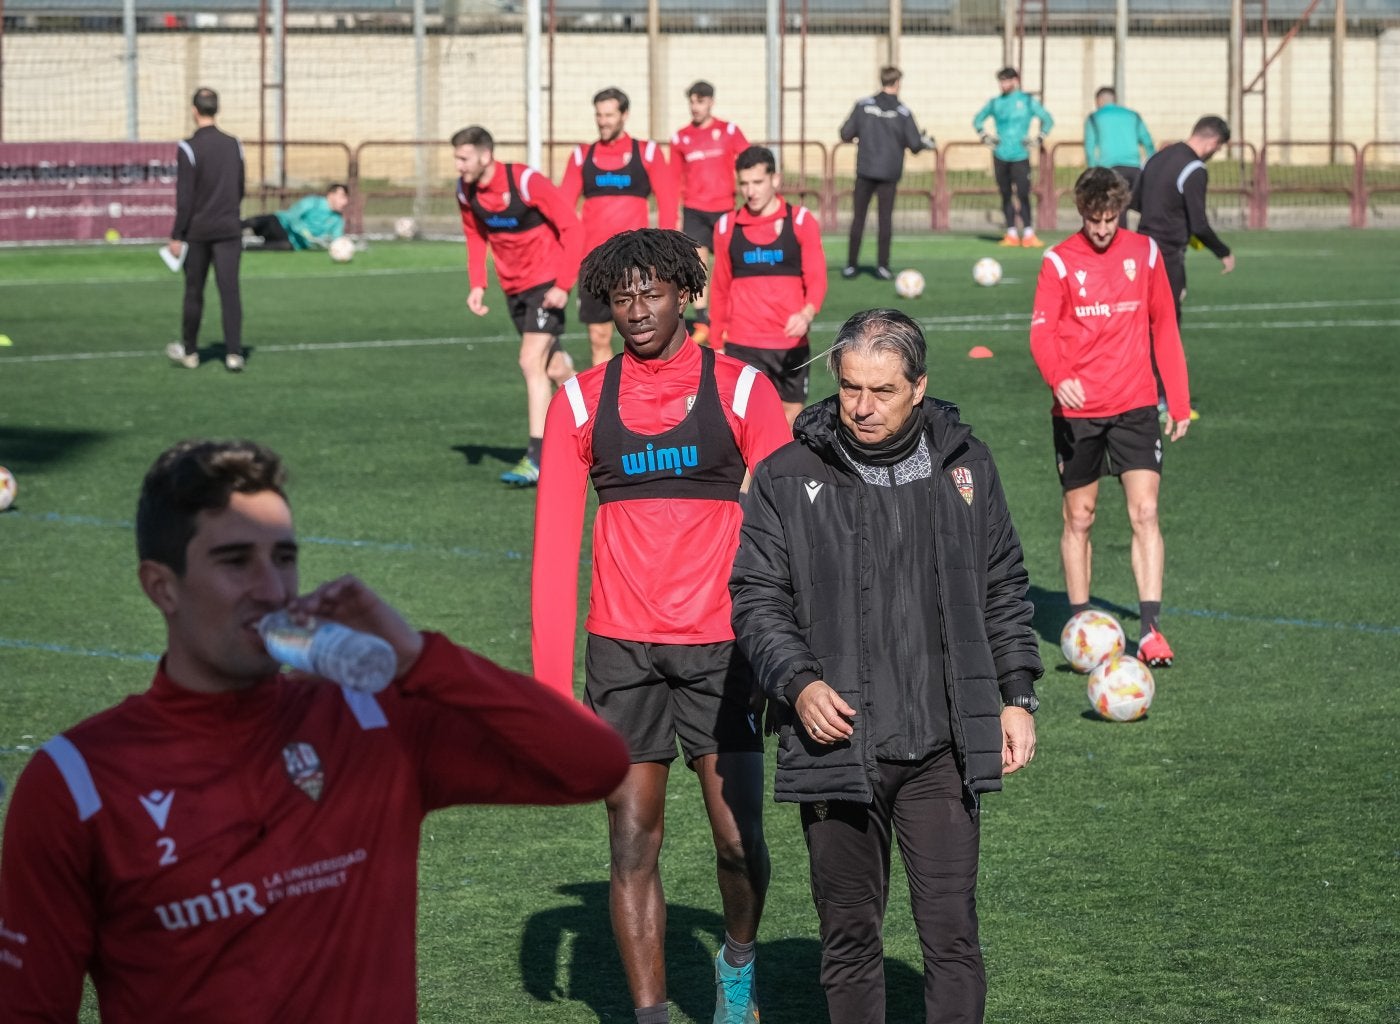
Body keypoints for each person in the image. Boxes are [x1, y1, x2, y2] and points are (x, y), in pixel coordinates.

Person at [0, 438, 629, 1022]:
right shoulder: (77, 782)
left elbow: (592, 764)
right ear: (161, 586)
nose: (271, 589)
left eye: (285, 557)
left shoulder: (370, 717)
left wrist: (419, 657)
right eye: (235, 561)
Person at [730, 308, 1043, 1024]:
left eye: (881, 391)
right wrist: (798, 682)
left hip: (943, 747)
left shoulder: (968, 467)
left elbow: (1003, 584)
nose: (861, 408)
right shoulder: (787, 474)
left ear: (920, 386)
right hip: (838, 749)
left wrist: (1017, 694)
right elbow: (756, 595)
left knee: (952, 937)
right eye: (849, 390)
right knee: (848, 941)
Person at [531, 229, 791, 1024]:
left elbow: (791, 533)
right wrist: (547, 695)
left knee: (738, 841)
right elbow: (552, 554)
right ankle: (649, 1015)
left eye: (653, 292)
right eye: (622, 296)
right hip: (623, 650)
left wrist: (792, 659)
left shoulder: (745, 392)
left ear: (687, 295)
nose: (638, 310)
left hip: (725, 648)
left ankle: (737, 965)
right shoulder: (579, 401)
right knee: (631, 842)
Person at [1030, 167, 1191, 668]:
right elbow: (1041, 333)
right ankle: (1080, 626)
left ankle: (1151, 631)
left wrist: (1178, 399)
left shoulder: (1144, 254)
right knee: (1080, 516)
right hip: (1078, 412)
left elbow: (1164, 326)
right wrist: (1059, 376)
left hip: (1137, 405)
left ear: (1122, 212)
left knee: (1145, 512)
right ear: (1081, 213)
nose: (1102, 228)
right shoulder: (1058, 261)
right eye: (1093, 219)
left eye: (1110, 218)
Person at [453, 125, 585, 487]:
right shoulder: (465, 191)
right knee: (555, 368)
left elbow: (573, 228)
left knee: (529, 361)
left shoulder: (527, 182)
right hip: (514, 289)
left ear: (484, 155)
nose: (458, 165)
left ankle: (537, 458)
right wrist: (478, 283)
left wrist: (563, 285)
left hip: (546, 286)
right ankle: (597, 423)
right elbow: (475, 235)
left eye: (463, 158)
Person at [708, 145, 828, 426]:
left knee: (791, 417)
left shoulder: (800, 221)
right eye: (744, 184)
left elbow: (817, 277)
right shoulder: (726, 227)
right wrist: (716, 342)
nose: (751, 191)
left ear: (775, 179)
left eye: (758, 182)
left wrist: (807, 313)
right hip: (742, 343)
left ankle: (782, 473)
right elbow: (720, 288)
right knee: (743, 424)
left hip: (789, 343)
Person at [560, 87, 678, 367]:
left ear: (624, 115)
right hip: (594, 263)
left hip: (636, 264)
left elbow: (668, 205)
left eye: (609, 115)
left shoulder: (647, 153)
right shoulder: (581, 156)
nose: (603, 121)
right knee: (599, 337)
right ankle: (604, 404)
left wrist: (664, 256)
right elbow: (564, 212)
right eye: (599, 115)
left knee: (646, 338)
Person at [165, 87, 246, 372]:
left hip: (198, 232)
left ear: (194, 110)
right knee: (230, 291)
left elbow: (184, 197)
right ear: (217, 109)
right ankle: (234, 354)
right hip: (229, 228)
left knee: (194, 291)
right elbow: (240, 188)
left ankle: (190, 352)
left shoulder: (188, 147)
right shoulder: (235, 144)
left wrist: (177, 234)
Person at [1130, 114, 1235, 324]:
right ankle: (1163, 359)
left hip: (1142, 251)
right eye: (1219, 147)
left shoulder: (1156, 157)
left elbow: (1135, 202)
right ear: (1213, 143)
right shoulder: (1193, 169)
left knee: (1144, 320)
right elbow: (1199, 225)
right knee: (1167, 321)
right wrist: (1223, 252)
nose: (1216, 152)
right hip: (1168, 255)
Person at [669, 80, 750, 346]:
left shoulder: (728, 131)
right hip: (694, 210)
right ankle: (703, 320)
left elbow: (749, 160)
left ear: (711, 102)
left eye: (700, 101)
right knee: (699, 266)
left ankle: (729, 317)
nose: (695, 106)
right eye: (692, 101)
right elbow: (674, 178)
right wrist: (674, 215)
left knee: (729, 266)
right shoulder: (681, 137)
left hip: (725, 209)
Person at [838, 66, 934, 280]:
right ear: (898, 83)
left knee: (858, 218)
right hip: (889, 173)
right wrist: (926, 143)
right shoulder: (902, 112)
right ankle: (883, 267)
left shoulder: (863, 105)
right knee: (885, 220)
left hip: (865, 169)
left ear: (881, 81)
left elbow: (845, 133)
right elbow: (915, 144)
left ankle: (851, 266)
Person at [972, 67, 1054, 248]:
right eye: (1001, 81)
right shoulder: (995, 103)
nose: (1003, 85)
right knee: (1005, 194)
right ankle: (1010, 232)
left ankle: (1028, 233)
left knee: (1023, 193)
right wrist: (986, 136)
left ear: (1015, 80)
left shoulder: (1026, 101)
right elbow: (977, 120)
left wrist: (1039, 138)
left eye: (1006, 81)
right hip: (1000, 154)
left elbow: (1048, 119)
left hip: (1020, 155)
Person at [1083, 87, 1154, 227]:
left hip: (1110, 170)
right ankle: (1148, 237)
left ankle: (1122, 242)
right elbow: (1148, 142)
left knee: (1118, 207)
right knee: (1143, 205)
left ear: (1098, 100)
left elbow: (1089, 148)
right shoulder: (1133, 115)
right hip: (1135, 169)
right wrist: (1151, 166)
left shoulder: (1094, 118)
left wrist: (1092, 171)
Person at [241, 183, 350, 251]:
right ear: (330, 195)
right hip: (280, 224)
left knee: (285, 246)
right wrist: (304, 231)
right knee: (257, 221)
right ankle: (230, 228)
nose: (345, 202)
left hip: (291, 241)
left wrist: (343, 246)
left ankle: (244, 247)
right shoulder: (313, 202)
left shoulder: (338, 220)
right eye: (342, 197)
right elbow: (292, 215)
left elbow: (337, 239)